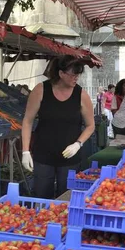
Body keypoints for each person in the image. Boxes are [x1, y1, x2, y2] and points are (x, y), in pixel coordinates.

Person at [21, 56, 95, 199]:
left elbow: (90, 125)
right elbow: (27, 121)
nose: (76, 78)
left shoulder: (81, 95)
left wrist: (78, 144)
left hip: (69, 156)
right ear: (61, 74)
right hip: (43, 154)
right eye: (73, 75)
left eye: (78, 75)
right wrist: (25, 151)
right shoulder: (41, 90)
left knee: (66, 197)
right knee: (42, 196)